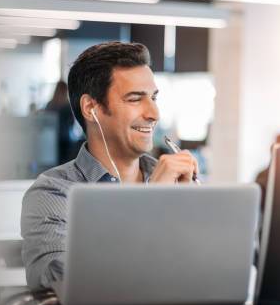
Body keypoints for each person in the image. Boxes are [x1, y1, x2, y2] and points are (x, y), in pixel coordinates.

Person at [21, 42, 200, 290]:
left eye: (154, 98)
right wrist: (153, 204)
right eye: (135, 99)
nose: (154, 113)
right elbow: (58, 282)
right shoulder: (54, 193)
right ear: (91, 108)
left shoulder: (176, 182)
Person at [44, 81, 82, 164]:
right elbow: (72, 123)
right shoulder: (67, 106)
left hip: (50, 139)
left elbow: (45, 121)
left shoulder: (50, 104)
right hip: (64, 139)